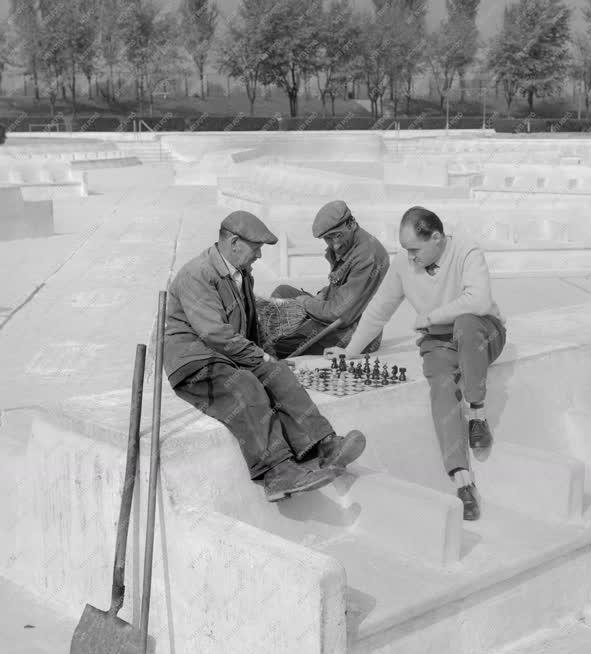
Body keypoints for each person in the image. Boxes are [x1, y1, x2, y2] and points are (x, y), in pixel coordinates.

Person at [164, 210, 366, 502]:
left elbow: (250, 326)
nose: (259, 255)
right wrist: (258, 357)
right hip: (196, 361)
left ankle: (325, 445)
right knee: (244, 385)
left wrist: (269, 357)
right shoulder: (196, 275)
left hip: (227, 355)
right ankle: (277, 473)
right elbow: (214, 335)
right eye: (255, 247)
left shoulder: (242, 273)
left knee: (278, 375)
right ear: (234, 242)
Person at [325, 206, 506, 521]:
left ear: (436, 238)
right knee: (441, 387)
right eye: (405, 250)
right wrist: (351, 351)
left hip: (481, 332)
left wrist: (430, 317)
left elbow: (478, 301)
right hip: (437, 341)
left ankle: (477, 413)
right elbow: (379, 309)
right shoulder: (404, 264)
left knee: (465, 323)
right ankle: (462, 481)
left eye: (414, 250)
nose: (409, 257)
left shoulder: (466, 249)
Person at [261, 200, 390, 358]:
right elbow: (340, 286)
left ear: (352, 224)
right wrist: (323, 293)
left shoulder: (367, 257)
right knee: (282, 292)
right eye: (328, 238)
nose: (335, 245)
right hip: (333, 311)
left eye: (338, 236)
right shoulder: (348, 244)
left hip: (350, 330)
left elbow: (339, 313)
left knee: (277, 343)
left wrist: (306, 303)